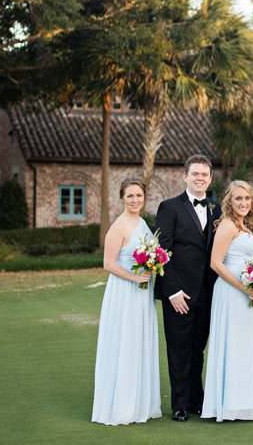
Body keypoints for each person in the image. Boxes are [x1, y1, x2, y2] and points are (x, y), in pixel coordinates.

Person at [154, 154, 221, 422]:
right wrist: (171, 291)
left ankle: (196, 399)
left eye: (204, 175)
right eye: (195, 174)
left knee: (198, 349)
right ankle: (179, 404)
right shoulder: (169, 208)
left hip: (207, 292)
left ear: (210, 178)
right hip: (179, 293)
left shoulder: (217, 209)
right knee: (179, 350)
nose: (200, 178)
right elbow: (161, 252)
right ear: (185, 176)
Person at [92, 178, 161, 425]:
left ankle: (141, 401)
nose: (135, 200)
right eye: (130, 196)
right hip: (124, 292)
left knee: (140, 342)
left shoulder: (142, 223)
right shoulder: (119, 226)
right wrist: (134, 278)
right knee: (125, 342)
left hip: (142, 293)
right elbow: (108, 264)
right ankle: (122, 405)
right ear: (122, 198)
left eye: (139, 196)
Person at [202, 181, 253, 421]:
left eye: (247, 199)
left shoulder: (245, 224)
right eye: (238, 199)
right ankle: (227, 404)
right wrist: (242, 287)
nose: (243, 203)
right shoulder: (227, 225)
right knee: (232, 343)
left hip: (247, 291)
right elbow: (215, 263)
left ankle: (244, 403)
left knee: (244, 345)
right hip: (230, 292)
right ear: (229, 201)